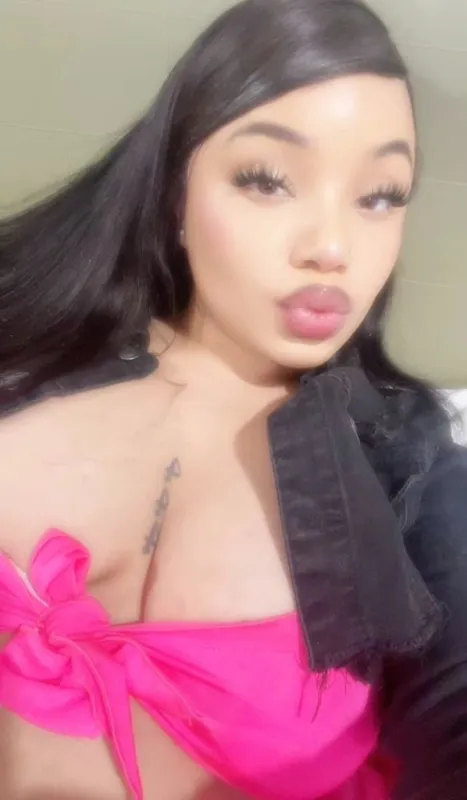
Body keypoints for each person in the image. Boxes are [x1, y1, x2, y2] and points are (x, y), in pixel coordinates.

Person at [0, 0, 466, 797]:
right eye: (266, 179)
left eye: (380, 194)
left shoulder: (408, 467)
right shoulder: (33, 347)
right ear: (175, 194)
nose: (331, 247)